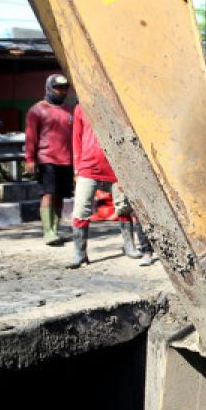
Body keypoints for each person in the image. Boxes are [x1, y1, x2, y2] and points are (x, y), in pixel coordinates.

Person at [67, 103, 152, 268]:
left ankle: (129, 246)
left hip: (115, 167)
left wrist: (125, 170)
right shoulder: (80, 108)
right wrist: (77, 169)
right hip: (87, 166)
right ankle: (80, 254)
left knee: (123, 207)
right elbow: (76, 139)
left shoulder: (115, 104)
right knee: (81, 208)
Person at [24, 73, 74, 246]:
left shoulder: (69, 110)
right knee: (48, 194)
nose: (61, 92)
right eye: (58, 88)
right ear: (49, 88)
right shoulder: (37, 110)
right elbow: (31, 136)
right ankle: (47, 232)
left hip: (67, 160)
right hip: (47, 159)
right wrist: (30, 158)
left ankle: (56, 229)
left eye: (64, 88)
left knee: (61, 195)